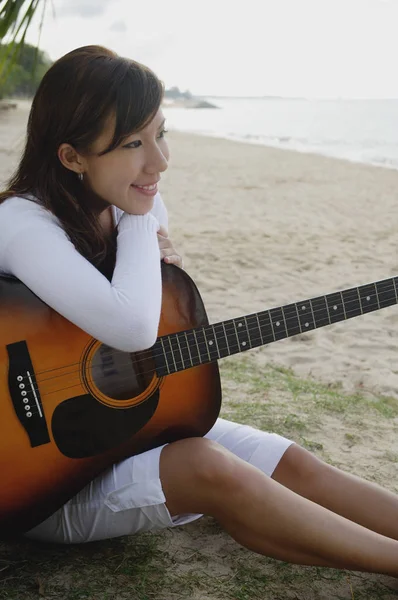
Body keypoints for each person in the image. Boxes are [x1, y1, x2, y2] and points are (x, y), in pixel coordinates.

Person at [1, 45, 398, 577]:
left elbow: (143, 322)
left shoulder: (117, 202)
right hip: (37, 482)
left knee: (291, 463)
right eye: (133, 144)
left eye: (161, 133)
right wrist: (142, 216)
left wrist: (142, 224)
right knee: (207, 466)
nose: (160, 162)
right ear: (72, 157)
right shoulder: (22, 223)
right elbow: (133, 326)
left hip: (117, 433)